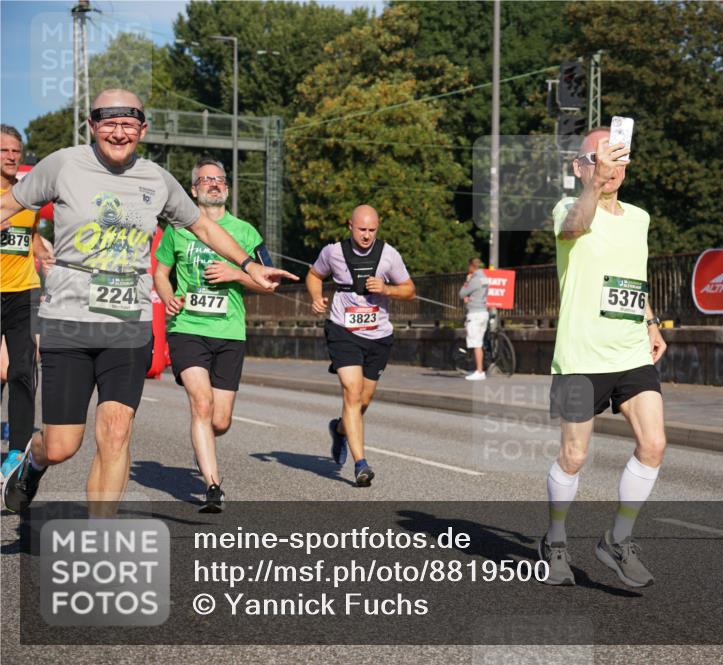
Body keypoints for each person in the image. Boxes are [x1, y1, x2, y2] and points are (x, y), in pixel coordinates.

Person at [0, 89, 296, 514]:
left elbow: (205, 229)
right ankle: (33, 461)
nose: (118, 133)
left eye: (128, 125)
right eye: (108, 123)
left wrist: (250, 266)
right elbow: (8, 205)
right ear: (91, 125)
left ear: (143, 129)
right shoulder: (62, 165)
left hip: (128, 319)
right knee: (63, 444)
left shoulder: (156, 179)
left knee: (117, 430)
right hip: (68, 318)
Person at [538, 127, 668, 588]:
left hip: (630, 350)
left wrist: (651, 323)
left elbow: (634, 276)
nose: (608, 167)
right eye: (598, 158)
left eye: (616, 158)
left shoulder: (639, 218)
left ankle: (617, 539)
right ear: (579, 167)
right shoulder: (566, 209)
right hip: (580, 355)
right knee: (574, 457)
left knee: (653, 445)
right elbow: (576, 226)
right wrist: (591, 187)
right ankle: (554, 540)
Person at [153, 158, 272, 512]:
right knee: (200, 403)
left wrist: (236, 274)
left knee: (219, 420)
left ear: (228, 188)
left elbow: (267, 281)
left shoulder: (246, 231)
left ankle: (202, 435)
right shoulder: (178, 228)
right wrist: (167, 295)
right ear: (193, 190)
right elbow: (161, 272)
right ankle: (213, 487)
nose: (213, 184)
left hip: (229, 332)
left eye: (219, 179)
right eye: (205, 180)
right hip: (188, 328)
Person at [306, 205, 415, 487]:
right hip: (343, 330)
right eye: (362, 229)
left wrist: (388, 289)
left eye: (372, 230)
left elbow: (410, 290)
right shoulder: (333, 252)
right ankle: (361, 464)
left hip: (378, 335)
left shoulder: (388, 254)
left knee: (361, 402)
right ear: (350, 226)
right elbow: (314, 275)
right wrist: (316, 297)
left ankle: (340, 429)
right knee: (352, 393)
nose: (367, 235)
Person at [0, 125, 49, 483]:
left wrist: (46, 258)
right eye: (4, 151)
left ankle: (16, 451)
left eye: (16, 151)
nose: (12, 156)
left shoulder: (27, 196)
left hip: (23, 291)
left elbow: (32, 237)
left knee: (22, 369)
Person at [458, 257, 489, 381]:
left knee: (476, 343)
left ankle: (479, 371)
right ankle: (479, 369)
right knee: (479, 342)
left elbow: (461, 293)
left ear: (471, 266)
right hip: (483, 312)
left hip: (474, 314)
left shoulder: (475, 279)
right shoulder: (485, 278)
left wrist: (467, 281)